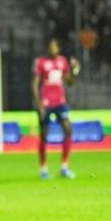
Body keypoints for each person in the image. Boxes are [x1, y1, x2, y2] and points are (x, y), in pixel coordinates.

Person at [32, 38, 80, 180]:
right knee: (44, 135)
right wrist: (39, 102)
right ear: (47, 48)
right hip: (45, 103)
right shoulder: (40, 62)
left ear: (58, 48)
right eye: (50, 47)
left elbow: (70, 82)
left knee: (68, 129)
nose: (53, 49)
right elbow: (35, 84)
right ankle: (43, 169)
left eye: (55, 46)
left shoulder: (62, 62)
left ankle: (64, 167)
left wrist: (75, 70)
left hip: (60, 102)